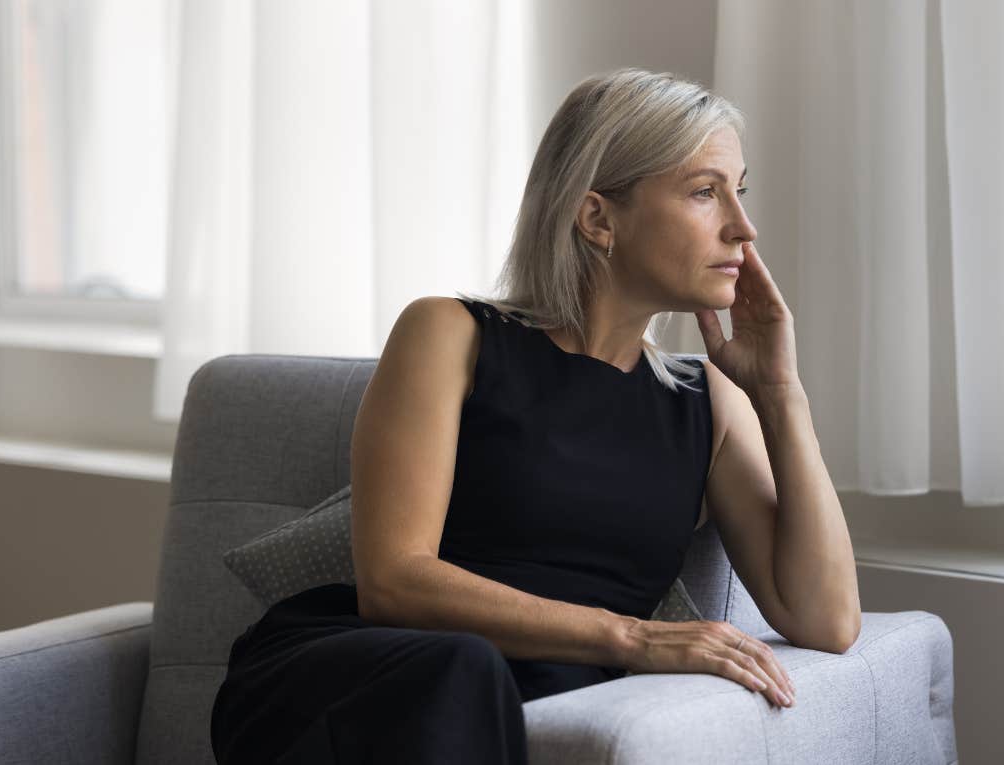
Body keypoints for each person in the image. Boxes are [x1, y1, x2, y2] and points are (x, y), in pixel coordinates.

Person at [211, 66, 859, 764]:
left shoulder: (710, 403)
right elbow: (394, 581)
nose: (744, 226)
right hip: (369, 674)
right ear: (597, 218)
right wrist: (632, 637)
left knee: (491, 683)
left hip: (545, 692)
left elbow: (825, 618)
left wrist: (781, 392)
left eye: (740, 191)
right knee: (466, 670)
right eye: (706, 192)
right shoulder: (448, 334)